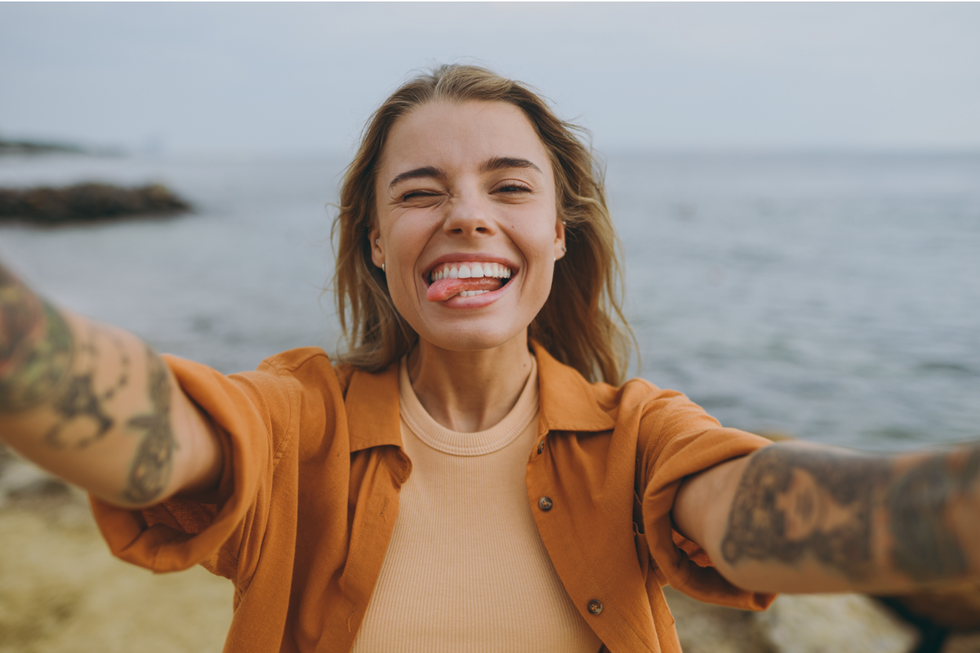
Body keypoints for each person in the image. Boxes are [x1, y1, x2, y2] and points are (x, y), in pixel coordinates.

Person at [1, 64, 978, 653]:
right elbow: (136, 422)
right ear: (376, 243)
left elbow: (775, 509)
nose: (466, 211)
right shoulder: (295, 419)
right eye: (420, 191)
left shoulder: (638, 438)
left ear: (558, 232)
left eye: (507, 186)